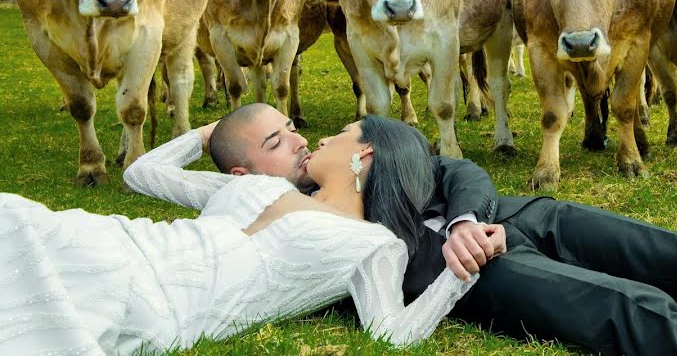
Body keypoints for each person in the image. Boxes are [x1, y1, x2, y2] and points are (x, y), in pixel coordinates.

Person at [201, 105, 677, 356]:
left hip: (518, 220)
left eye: (294, 129)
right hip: (470, 275)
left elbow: (454, 166)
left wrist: (472, 219)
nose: (298, 139)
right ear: (243, 173)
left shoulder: (358, 151)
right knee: (631, 312)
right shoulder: (282, 213)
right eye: (275, 141)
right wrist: (455, 252)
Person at [0, 113, 486, 356]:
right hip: (126, 240)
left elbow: (392, 336)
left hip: (166, 303)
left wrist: (463, 273)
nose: (316, 140)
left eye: (338, 135)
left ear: (364, 155)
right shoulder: (261, 184)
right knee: (16, 219)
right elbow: (142, 174)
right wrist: (209, 133)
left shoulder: (376, 245)